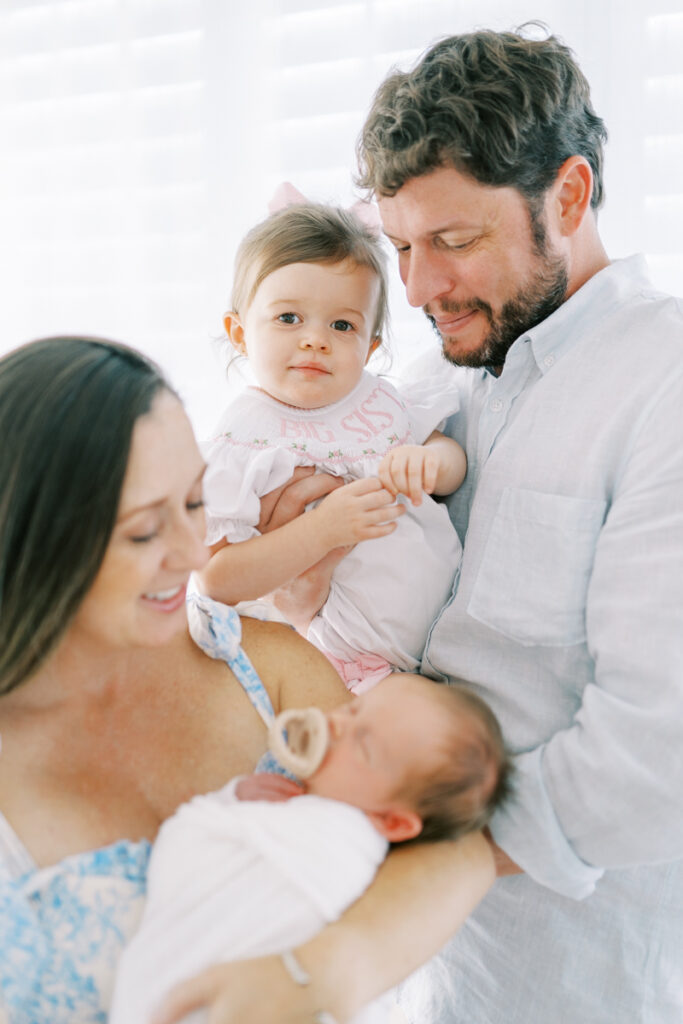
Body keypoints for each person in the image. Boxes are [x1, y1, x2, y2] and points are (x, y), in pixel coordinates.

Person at [0, 336, 495, 1024]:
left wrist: (318, 973)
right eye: (145, 532)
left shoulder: (262, 666)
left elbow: (455, 851)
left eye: (197, 503)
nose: (194, 553)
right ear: (32, 539)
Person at [348, 24, 683, 1024]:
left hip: (583, 982)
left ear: (568, 197)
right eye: (401, 246)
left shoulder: (661, 385)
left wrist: (405, 875)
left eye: (451, 242)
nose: (417, 290)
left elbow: (655, 750)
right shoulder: (428, 385)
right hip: (435, 973)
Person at [110, 670, 510, 1024]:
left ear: (392, 822)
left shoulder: (354, 857)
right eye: (354, 710)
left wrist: (228, 804)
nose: (334, 723)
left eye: (363, 744)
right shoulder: (292, 812)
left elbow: (186, 844)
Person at [198, 202, 466, 692]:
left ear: (370, 346)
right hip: (330, 658)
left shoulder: (381, 401)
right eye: (289, 318)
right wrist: (322, 530)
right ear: (240, 333)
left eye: (342, 326)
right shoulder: (244, 436)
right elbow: (217, 580)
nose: (315, 340)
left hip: (442, 645)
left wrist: (430, 462)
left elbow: (453, 461)